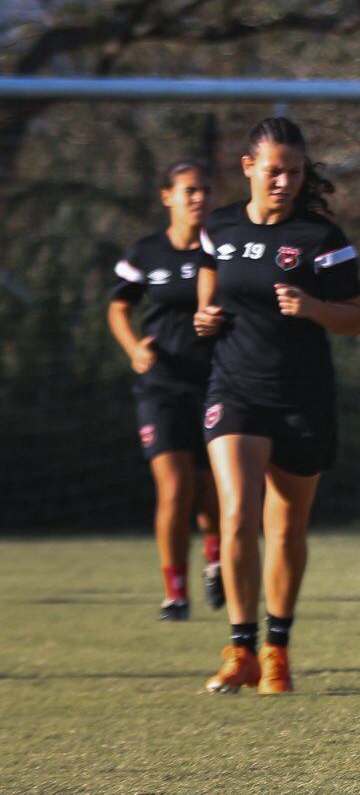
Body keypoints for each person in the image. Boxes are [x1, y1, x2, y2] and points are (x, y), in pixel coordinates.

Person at [195, 119, 360, 694]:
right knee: (238, 512)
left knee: (287, 526)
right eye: (273, 171)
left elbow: (355, 318)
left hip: (301, 396)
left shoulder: (323, 239)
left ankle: (277, 649)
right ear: (248, 168)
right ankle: (240, 647)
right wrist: (204, 316)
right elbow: (209, 284)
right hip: (235, 390)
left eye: (294, 172)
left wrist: (314, 308)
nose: (284, 182)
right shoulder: (218, 226)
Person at [107, 159, 221, 620]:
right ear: (166, 196)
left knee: (213, 494)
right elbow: (118, 307)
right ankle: (175, 592)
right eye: (189, 190)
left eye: (205, 190)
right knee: (174, 490)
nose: (198, 198)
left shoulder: (224, 249)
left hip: (217, 383)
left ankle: (215, 562)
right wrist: (134, 348)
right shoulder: (146, 252)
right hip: (162, 387)